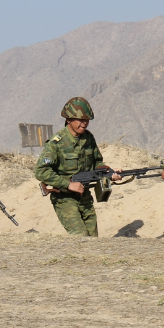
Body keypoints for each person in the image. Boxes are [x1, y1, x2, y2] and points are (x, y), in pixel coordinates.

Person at [35, 97, 121, 236]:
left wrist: (109, 173)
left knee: (93, 239)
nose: (84, 123)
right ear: (68, 120)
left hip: (85, 196)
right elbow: (41, 171)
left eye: (86, 120)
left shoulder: (88, 138)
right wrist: (68, 184)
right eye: (80, 120)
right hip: (64, 199)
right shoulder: (57, 142)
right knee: (81, 238)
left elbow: (97, 162)